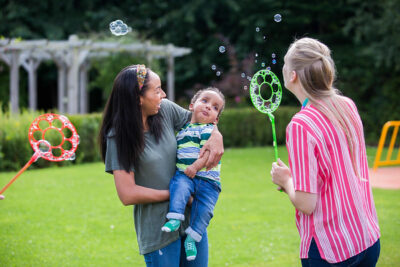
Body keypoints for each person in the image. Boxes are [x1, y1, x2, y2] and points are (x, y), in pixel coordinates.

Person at [99, 64, 224, 267]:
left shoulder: (164, 110)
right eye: (157, 90)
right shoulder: (118, 137)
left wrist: (217, 135)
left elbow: (202, 119)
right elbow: (127, 194)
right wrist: (177, 193)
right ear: (138, 98)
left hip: (191, 222)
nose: (163, 95)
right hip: (157, 230)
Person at [270, 37, 380, 266]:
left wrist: (287, 180)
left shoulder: (301, 125)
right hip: (366, 239)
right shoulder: (346, 105)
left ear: (293, 76)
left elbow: (306, 203)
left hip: (331, 250)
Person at [161, 87, 225, 261]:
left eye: (215, 107)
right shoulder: (182, 131)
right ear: (191, 105)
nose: (208, 107)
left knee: (204, 211)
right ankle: (175, 217)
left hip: (208, 182)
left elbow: (207, 154)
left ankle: (192, 238)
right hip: (186, 176)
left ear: (216, 119)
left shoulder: (209, 132)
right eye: (204, 101)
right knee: (178, 187)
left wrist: (196, 166)